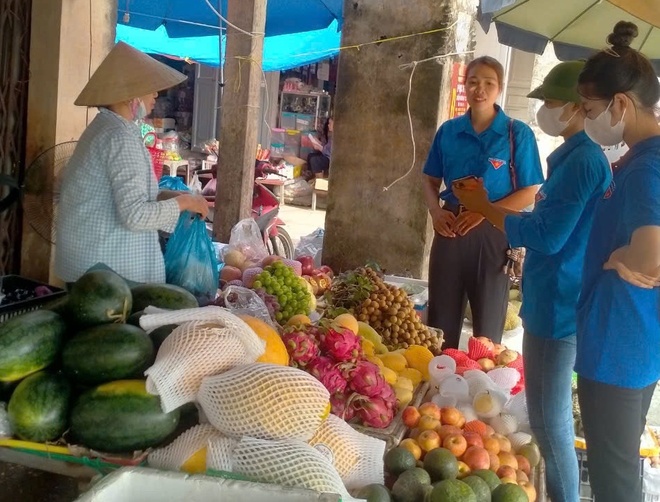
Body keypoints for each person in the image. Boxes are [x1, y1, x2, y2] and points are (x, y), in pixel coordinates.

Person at [453, 61, 612, 502]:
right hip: (553, 296)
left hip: (561, 304)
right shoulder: (572, 158)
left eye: (554, 102)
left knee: (550, 420)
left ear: (581, 108)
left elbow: (547, 235)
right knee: (546, 417)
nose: (546, 110)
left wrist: (484, 206)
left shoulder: (582, 161)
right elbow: (544, 222)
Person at [575, 21, 660, 502]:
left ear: (621, 105)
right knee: (618, 469)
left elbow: (650, 255)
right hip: (630, 340)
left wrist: (617, 258)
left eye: (590, 110)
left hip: (619, 345)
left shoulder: (648, 167)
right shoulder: (638, 158)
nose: (588, 119)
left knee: (615, 479)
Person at [55, 42, 209, 284]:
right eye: (150, 88)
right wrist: (185, 201)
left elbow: (125, 196)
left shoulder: (109, 128)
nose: (156, 94)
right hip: (105, 278)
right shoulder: (118, 137)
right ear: (130, 95)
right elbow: (135, 215)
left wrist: (167, 196)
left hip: (95, 271)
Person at [422, 56, 544, 349]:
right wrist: (435, 213)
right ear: (465, 85)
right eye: (473, 81)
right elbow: (428, 179)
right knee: (440, 320)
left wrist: (484, 212)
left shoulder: (517, 134)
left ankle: (484, 385)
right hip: (450, 227)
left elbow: (530, 190)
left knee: (488, 327)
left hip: (494, 230)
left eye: (489, 83)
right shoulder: (449, 132)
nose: (480, 89)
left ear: (499, 88)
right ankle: (439, 385)